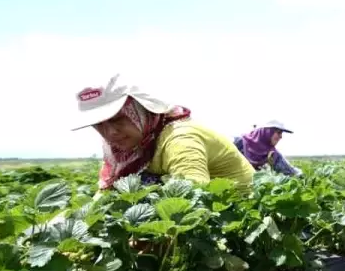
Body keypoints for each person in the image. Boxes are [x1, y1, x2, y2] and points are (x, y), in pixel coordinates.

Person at [73, 74, 255, 190]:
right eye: (98, 124)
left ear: (142, 110)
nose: (110, 132)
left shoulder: (180, 139)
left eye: (118, 119)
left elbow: (194, 200)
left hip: (238, 213)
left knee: (143, 187)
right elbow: (106, 194)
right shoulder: (128, 147)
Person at [235, 122, 302, 177]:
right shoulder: (240, 143)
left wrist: (300, 175)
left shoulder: (274, 155)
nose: (281, 137)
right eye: (279, 133)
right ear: (267, 132)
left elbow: (290, 171)